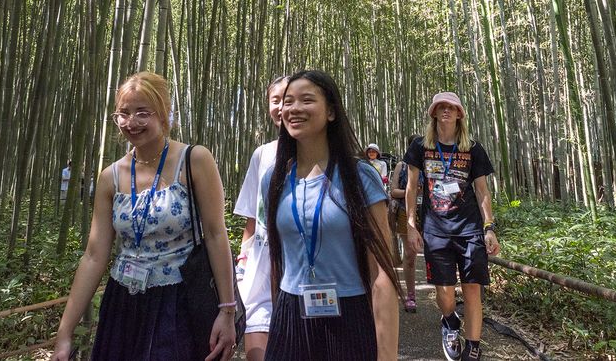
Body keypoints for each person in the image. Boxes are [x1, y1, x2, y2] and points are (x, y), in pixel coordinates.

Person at [52, 72, 237, 361]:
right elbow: (93, 256)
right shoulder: (110, 177)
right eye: (123, 113)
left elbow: (215, 234)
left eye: (142, 112)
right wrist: (65, 332)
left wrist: (227, 311)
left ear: (163, 113)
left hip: (177, 301)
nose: (131, 122)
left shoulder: (194, 160)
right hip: (123, 301)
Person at [261, 70, 400, 361]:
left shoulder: (360, 177)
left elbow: (381, 273)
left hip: (349, 314)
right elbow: (278, 259)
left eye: (306, 100)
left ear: (331, 112)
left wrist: (387, 354)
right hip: (290, 314)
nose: (293, 109)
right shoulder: (273, 180)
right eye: (287, 102)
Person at [404, 92, 500, 361]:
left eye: (452, 107)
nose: (446, 111)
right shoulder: (421, 147)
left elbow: (482, 191)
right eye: (441, 107)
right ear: (434, 113)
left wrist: (489, 227)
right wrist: (412, 225)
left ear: (460, 114)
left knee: (472, 288)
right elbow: (412, 187)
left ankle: (473, 346)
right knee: (444, 292)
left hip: (469, 228)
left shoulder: (473, 149)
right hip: (436, 228)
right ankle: (450, 321)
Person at [232, 76, 288, 361]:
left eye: (288, 99)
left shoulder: (327, 156)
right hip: (262, 259)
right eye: (275, 100)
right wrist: (243, 258)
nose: (282, 107)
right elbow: (253, 215)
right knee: (257, 331)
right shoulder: (263, 154)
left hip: (304, 265)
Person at [388, 135, 425, 313]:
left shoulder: (432, 165)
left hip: (429, 213)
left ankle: (445, 293)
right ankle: (410, 295)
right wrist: (410, 192)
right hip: (405, 212)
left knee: (435, 253)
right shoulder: (401, 166)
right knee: (410, 254)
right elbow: (393, 191)